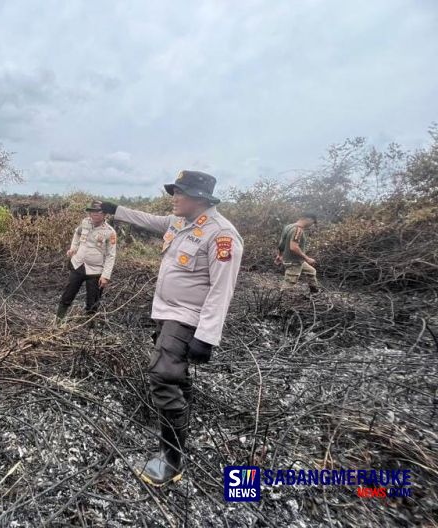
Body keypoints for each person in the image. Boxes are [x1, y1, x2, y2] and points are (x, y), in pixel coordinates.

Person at [98, 170, 243, 486]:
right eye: (174, 192)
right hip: (167, 313)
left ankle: (172, 460)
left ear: (200, 198)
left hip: (188, 317)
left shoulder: (221, 235)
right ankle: (180, 428)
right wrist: (115, 210)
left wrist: (206, 337)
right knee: (175, 377)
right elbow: (149, 220)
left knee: (163, 377)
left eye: (180, 192)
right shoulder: (181, 222)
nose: (174, 198)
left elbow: (222, 290)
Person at [56, 201, 117, 325]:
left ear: (105, 214)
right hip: (78, 265)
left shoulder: (110, 232)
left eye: (99, 212)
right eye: (92, 211)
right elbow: (77, 234)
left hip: (96, 271)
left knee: (93, 302)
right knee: (67, 295)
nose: (95, 214)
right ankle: (58, 322)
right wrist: (73, 248)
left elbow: (111, 255)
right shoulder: (84, 223)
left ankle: (89, 328)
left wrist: (106, 276)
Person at [276, 213, 319, 293]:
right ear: (308, 219)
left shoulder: (289, 227)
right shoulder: (298, 230)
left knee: (311, 272)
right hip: (293, 262)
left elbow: (281, 243)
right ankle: (280, 302)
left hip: (297, 260)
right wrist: (307, 258)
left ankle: (314, 293)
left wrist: (280, 255)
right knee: (289, 285)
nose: (311, 225)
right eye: (312, 222)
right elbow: (294, 247)